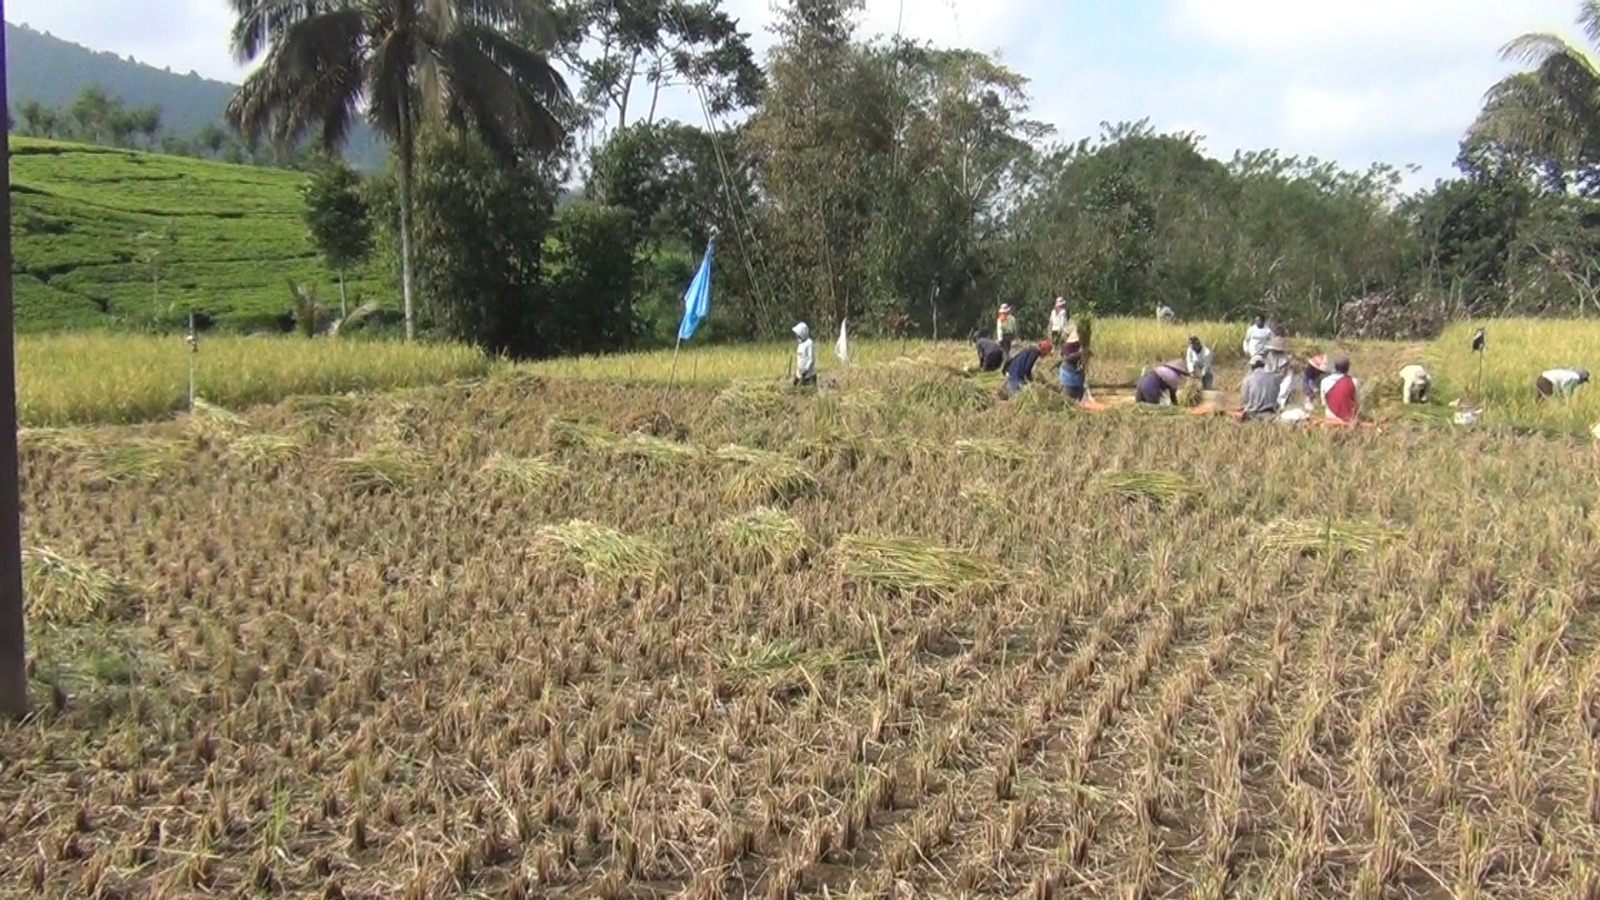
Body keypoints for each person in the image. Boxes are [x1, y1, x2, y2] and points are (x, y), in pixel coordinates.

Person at [1241, 354, 1282, 420]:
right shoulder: (1274, 377)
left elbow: (1245, 399)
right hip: (1271, 412)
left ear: (1252, 367)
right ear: (1263, 365)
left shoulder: (1248, 379)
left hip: (1253, 414)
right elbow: (1276, 394)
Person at [1320, 354, 1359, 422]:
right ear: (1348, 368)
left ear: (1335, 367)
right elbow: (1357, 403)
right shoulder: (1354, 381)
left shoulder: (1324, 381)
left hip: (1330, 419)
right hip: (1348, 420)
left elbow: (1324, 403)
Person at [1057, 322, 1086, 400]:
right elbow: (1066, 358)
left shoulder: (1080, 344)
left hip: (1078, 372)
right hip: (1068, 373)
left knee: (1079, 395)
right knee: (1070, 397)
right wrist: (1079, 354)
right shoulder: (1067, 345)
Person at [792, 322, 816, 387]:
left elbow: (811, 359)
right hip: (800, 373)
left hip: (808, 375)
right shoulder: (800, 344)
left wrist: (805, 370)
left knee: (808, 392)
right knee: (795, 387)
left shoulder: (809, 343)